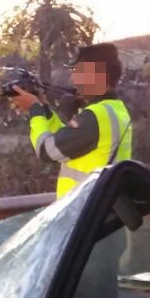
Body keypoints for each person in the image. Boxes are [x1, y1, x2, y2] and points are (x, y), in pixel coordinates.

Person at [13, 42, 134, 198]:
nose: (73, 77)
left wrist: (34, 110)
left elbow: (47, 151)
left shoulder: (95, 117)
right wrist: (44, 109)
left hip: (83, 212)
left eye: (78, 71)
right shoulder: (114, 110)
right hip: (96, 208)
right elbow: (64, 140)